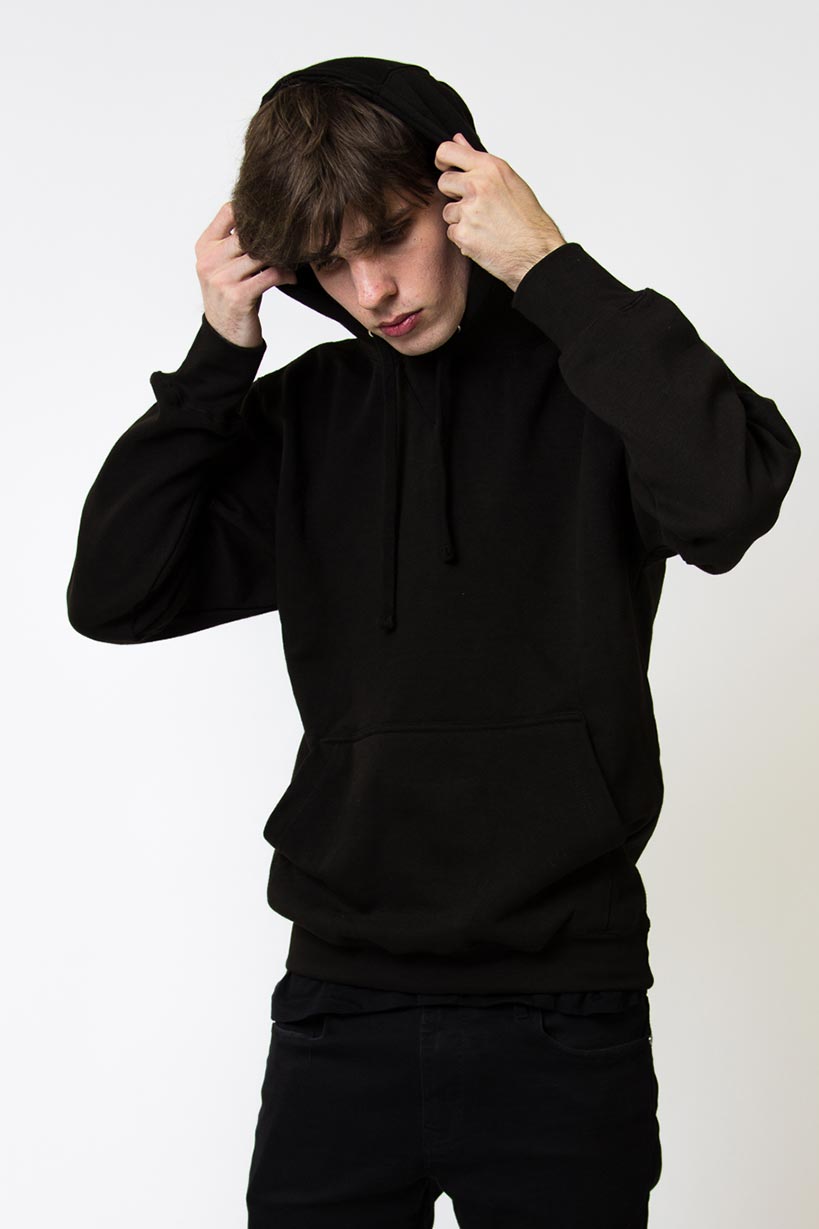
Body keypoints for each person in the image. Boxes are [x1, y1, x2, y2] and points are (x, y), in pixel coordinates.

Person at [66, 56, 802, 1229]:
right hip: (341, 1007)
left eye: (389, 236)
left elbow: (735, 494)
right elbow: (115, 590)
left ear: (461, 193)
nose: (372, 288)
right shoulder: (308, 418)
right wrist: (217, 353)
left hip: (566, 1010)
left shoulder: (596, 381)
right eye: (330, 263)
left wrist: (551, 269)